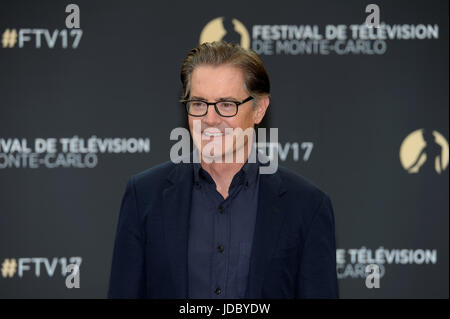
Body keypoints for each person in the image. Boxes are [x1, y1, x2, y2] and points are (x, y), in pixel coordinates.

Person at [108, 41, 338, 299]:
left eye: (226, 104)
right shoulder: (144, 196)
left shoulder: (307, 206)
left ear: (259, 109)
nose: (210, 119)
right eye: (198, 103)